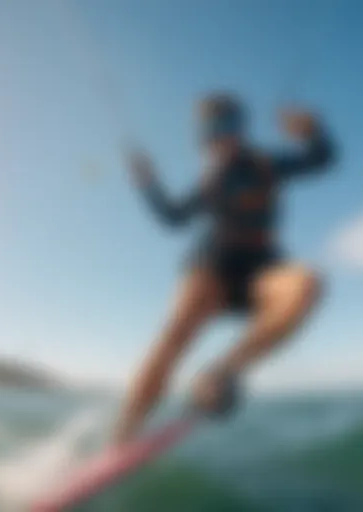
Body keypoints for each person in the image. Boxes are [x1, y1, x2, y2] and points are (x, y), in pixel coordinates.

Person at [114, 92, 337, 445]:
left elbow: (322, 160)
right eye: (212, 129)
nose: (222, 136)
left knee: (309, 286)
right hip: (212, 267)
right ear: (202, 137)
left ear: (242, 130)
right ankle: (123, 434)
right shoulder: (210, 182)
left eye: (231, 126)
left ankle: (220, 372)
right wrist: (148, 184)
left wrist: (314, 131)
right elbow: (173, 218)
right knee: (177, 330)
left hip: (262, 272)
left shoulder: (265, 164)